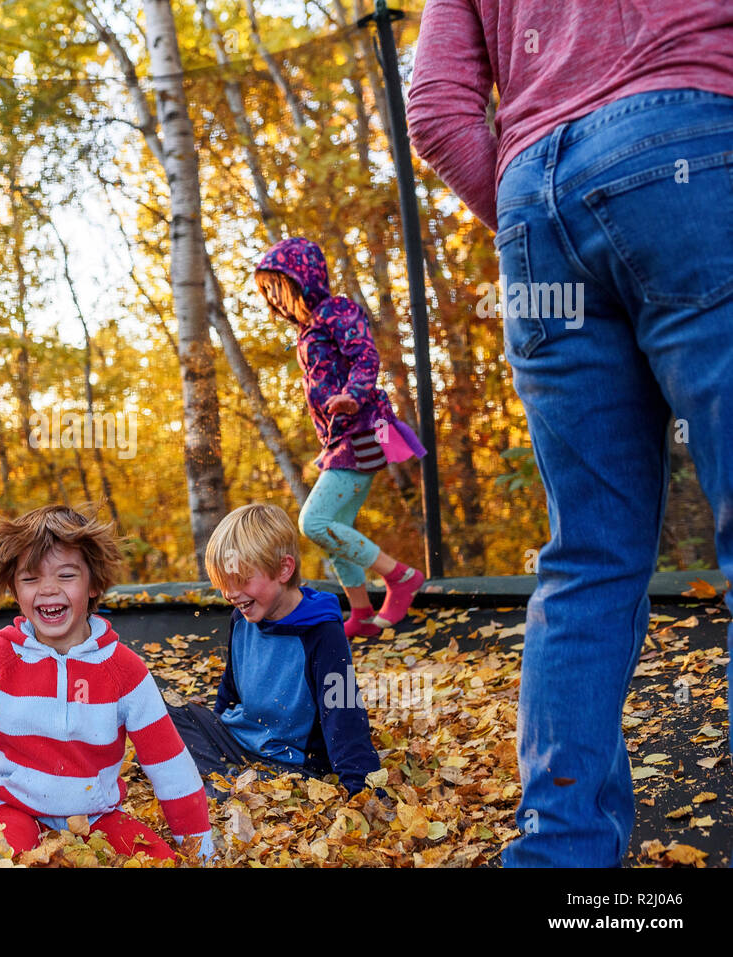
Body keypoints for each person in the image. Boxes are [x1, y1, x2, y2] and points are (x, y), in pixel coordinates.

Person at [406, 0, 733, 866]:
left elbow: (437, 107)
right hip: (696, 149)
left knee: (585, 554)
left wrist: (525, 210)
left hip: (535, 209)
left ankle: (561, 860)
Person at [0, 504, 213, 865]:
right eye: (31, 579)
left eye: (66, 576)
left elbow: (170, 765)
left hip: (94, 814)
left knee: (156, 862)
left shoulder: (124, 671)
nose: (48, 590)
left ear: (94, 583)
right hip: (12, 804)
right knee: (7, 860)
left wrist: (200, 852)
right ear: (15, 589)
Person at [254, 236, 428, 639]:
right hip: (339, 439)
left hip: (363, 429)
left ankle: (400, 577)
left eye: (281, 290)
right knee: (336, 527)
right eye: (270, 295)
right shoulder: (307, 330)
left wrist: (354, 394)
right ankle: (363, 613)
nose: (277, 301)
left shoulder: (337, 309)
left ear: (303, 282)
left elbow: (364, 355)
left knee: (313, 522)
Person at [165, 504, 382, 799]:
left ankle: (223, 784)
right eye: (223, 584)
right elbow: (230, 689)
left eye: (241, 581)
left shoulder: (322, 633)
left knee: (252, 786)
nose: (230, 594)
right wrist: (212, 733)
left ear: (284, 569)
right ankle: (222, 781)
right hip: (239, 742)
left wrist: (364, 792)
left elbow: (344, 712)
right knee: (165, 718)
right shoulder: (241, 619)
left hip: (289, 762)